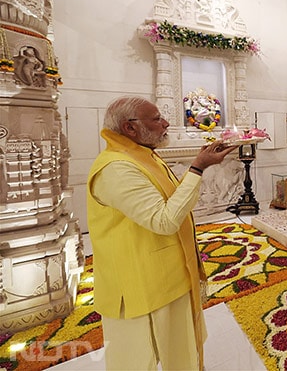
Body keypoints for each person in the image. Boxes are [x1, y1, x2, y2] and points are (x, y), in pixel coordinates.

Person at [87, 96, 237, 370]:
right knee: (137, 360)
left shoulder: (143, 155)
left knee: (182, 354)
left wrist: (198, 166)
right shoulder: (117, 168)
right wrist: (198, 167)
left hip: (168, 275)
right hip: (141, 285)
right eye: (156, 119)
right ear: (129, 128)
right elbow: (164, 220)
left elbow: (170, 200)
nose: (166, 123)